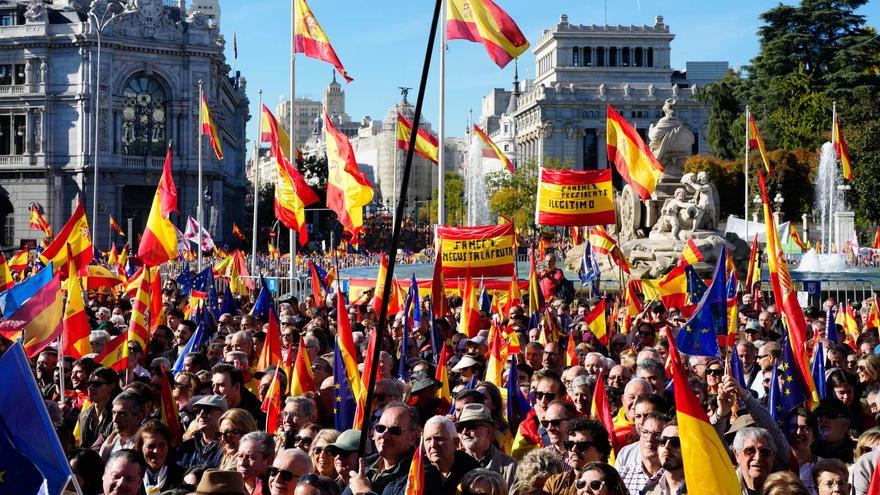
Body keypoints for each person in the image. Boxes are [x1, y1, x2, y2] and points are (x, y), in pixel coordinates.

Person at [343, 403, 419, 495]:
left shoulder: (419, 474)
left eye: (394, 431)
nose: (384, 435)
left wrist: (366, 492)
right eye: (380, 428)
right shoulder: (365, 466)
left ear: (412, 438)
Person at [456, 403, 518, 490]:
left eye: (471, 426)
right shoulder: (455, 464)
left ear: (489, 432)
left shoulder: (510, 467)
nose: (464, 432)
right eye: (460, 428)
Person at [543, 418, 612, 495]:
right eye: (569, 444)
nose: (573, 449)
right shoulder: (554, 483)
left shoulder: (612, 483)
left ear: (601, 450)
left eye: (582, 445)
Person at [422, 415, 480, 495]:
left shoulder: (473, 474)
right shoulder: (416, 472)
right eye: (428, 439)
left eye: (439, 438)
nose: (433, 444)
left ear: (455, 443)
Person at [135, 419, 185, 494]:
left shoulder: (181, 476)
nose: (157, 451)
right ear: (140, 448)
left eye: (162, 445)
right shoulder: (131, 475)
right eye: (151, 446)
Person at [178, 394, 227, 469]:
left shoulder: (227, 448)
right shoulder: (187, 446)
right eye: (198, 410)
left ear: (222, 414)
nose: (201, 415)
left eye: (207, 410)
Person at [77, 367, 120, 449]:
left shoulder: (118, 416)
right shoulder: (82, 416)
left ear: (111, 387)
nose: (90, 388)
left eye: (97, 384)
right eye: (89, 384)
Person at [99, 391, 147, 461]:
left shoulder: (146, 444)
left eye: (122, 414)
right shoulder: (109, 440)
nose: (115, 420)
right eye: (114, 413)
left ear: (139, 417)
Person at [643, 422, 684, 495]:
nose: (667, 446)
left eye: (675, 442)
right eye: (663, 441)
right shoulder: (649, 491)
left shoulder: (703, 489)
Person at [732, 427, 775, 495]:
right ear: (737, 455)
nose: (758, 458)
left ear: (772, 457)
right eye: (750, 451)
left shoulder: (784, 490)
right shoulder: (725, 487)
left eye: (764, 452)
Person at [237, 431, 276, 495]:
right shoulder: (230, 486)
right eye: (240, 456)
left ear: (269, 461)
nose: (242, 463)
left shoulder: (275, 489)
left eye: (250, 457)